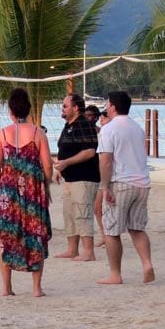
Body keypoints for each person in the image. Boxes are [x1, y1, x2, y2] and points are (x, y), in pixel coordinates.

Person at [0, 88, 53, 297]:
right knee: (35, 235)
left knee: (7, 236)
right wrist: (45, 186)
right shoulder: (38, 133)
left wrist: (4, 181)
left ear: (10, 111)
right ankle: (36, 288)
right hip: (33, 192)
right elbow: (47, 166)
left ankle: (6, 287)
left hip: (9, 192)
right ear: (27, 109)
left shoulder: (1, 134)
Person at [97, 91, 155, 285]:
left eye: (107, 103)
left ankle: (115, 273)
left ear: (113, 106)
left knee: (112, 230)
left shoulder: (108, 129)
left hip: (121, 182)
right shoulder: (137, 127)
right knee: (137, 228)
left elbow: (106, 161)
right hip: (142, 183)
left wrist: (105, 187)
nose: (105, 107)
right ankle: (147, 264)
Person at [53, 93, 99, 261]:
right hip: (69, 178)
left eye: (65, 106)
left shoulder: (84, 124)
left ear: (75, 108)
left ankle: (88, 251)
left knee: (82, 213)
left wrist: (67, 163)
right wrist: (60, 168)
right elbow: (64, 150)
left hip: (85, 177)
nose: (62, 109)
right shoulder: (68, 125)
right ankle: (72, 249)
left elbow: (89, 151)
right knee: (69, 214)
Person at [92, 108, 110, 246]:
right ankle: (105, 235)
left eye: (104, 118)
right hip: (100, 175)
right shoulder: (100, 133)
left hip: (109, 176)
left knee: (103, 207)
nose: (101, 121)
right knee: (97, 207)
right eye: (101, 119)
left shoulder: (107, 133)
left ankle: (108, 236)